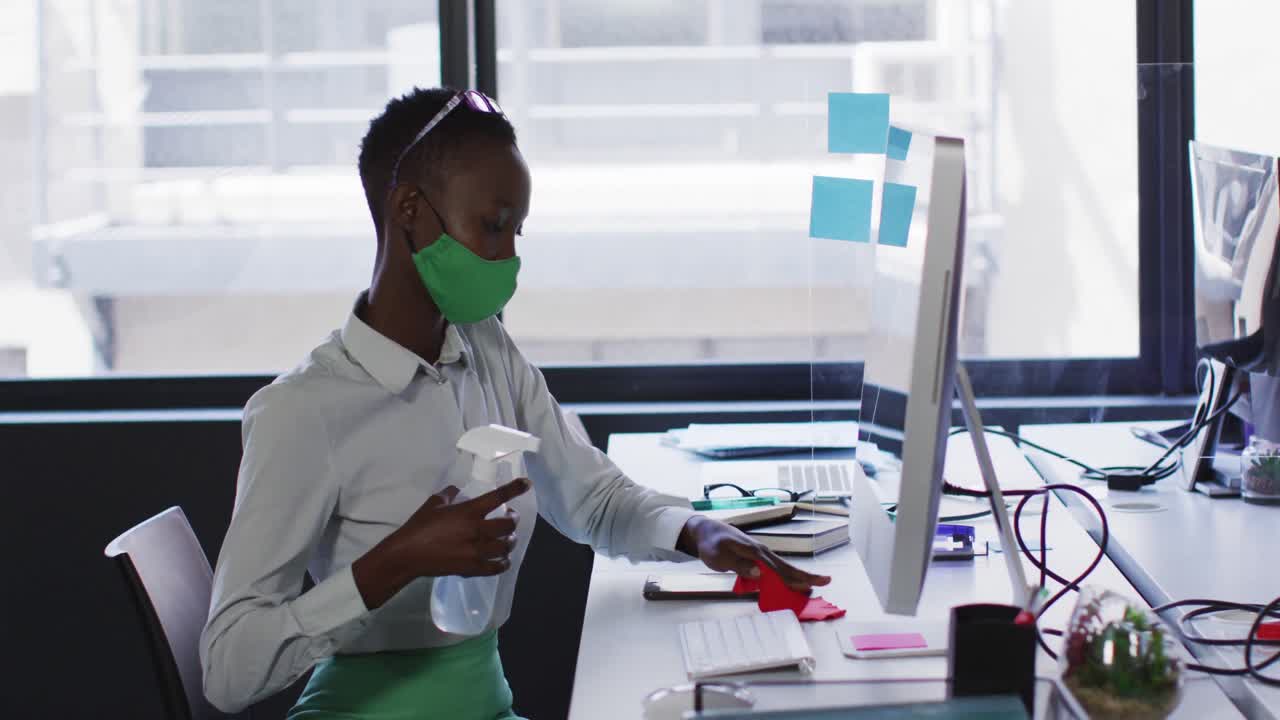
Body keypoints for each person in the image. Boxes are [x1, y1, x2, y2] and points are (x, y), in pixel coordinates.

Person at [199, 86, 830, 720]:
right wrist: (395, 561)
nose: (508, 257)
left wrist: (698, 531)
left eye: (517, 230)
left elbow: (593, 500)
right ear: (410, 209)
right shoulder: (303, 410)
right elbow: (228, 669)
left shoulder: (486, 350)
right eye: (493, 226)